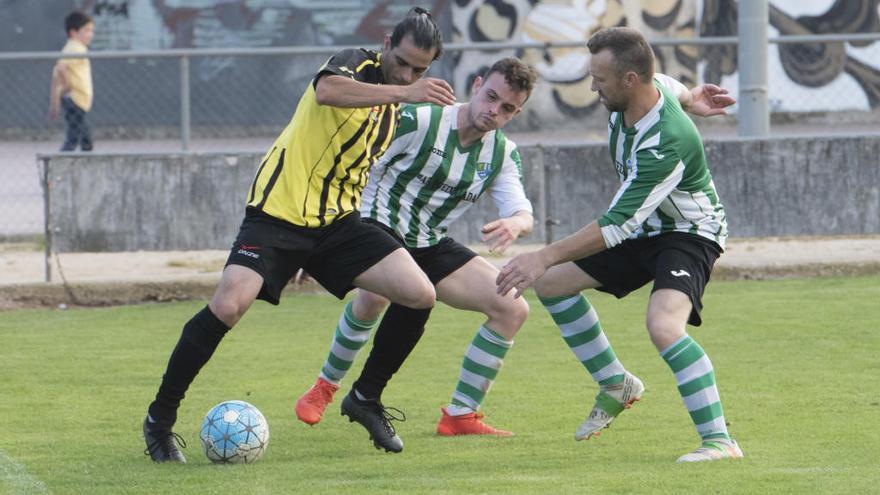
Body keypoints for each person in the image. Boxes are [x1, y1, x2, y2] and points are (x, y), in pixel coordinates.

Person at [142, 7, 455, 464]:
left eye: (419, 70)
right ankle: (159, 421)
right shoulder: (355, 63)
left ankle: (365, 397)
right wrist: (406, 89)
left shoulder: (395, 108)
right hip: (277, 213)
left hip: (336, 224)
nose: (408, 73)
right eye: (403, 61)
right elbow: (327, 91)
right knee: (228, 305)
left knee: (419, 293)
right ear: (387, 42)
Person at [495, 27, 742, 463]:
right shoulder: (651, 87)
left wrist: (542, 255)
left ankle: (721, 441)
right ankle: (615, 383)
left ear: (630, 80)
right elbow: (670, 86)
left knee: (664, 326)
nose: (592, 87)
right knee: (552, 285)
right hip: (645, 228)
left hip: (689, 232)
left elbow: (613, 226)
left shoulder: (665, 143)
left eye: (600, 79)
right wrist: (693, 101)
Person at [294, 57, 539, 453]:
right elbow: (347, 160)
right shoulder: (420, 119)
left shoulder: (501, 154)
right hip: (376, 224)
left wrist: (516, 225)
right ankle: (326, 386)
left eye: (507, 108)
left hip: (428, 241)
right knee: (376, 295)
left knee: (513, 308)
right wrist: (320, 233)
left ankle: (460, 414)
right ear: (477, 86)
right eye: (491, 97)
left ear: (517, 112)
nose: (494, 111)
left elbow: (522, 211)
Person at [49, 11, 95, 152]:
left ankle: (82, 162)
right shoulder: (74, 47)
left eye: (91, 31)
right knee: (76, 138)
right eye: (86, 30)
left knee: (83, 137)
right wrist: (68, 85)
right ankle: (60, 165)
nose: (90, 34)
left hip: (78, 101)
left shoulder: (78, 48)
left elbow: (57, 74)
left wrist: (55, 103)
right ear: (73, 32)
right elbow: (61, 68)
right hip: (75, 100)